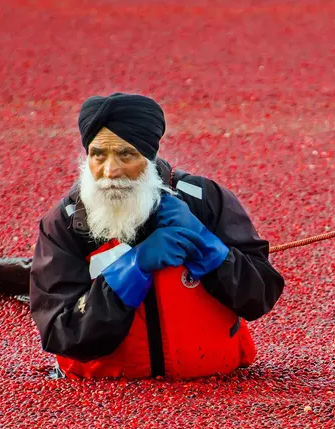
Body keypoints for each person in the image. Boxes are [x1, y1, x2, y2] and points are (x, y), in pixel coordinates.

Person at [30, 93, 284, 379]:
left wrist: (206, 246)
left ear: (149, 156)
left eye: (126, 154)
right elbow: (60, 334)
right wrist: (132, 269)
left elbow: (261, 296)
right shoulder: (64, 222)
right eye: (98, 154)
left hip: (218, 386)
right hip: (111, 393)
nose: (110, 171)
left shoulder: (205, 200)